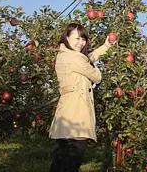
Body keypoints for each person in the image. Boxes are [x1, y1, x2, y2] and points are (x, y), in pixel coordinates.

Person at [49, 23, 115, 172]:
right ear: (66, 37)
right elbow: (97, 77)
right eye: (77, 38)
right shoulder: (75, 59)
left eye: (83, 39)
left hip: (66, 115)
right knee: (71, 163)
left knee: (60, 161)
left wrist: (105, 47)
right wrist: (95, 67)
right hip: (76, 117)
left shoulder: (65, 55)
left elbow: (85, 59)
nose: (81, 42)